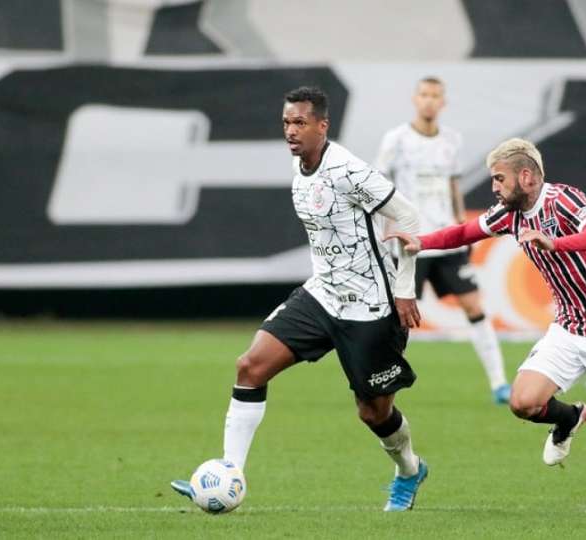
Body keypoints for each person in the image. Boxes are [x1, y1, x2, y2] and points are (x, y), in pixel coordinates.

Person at [171, 86, 428, 512]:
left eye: (300, 123)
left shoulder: (347, 170)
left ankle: (408, 470)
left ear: (322, 126)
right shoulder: (299, 164)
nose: (291, 131)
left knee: (374, 413)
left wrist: (403, 289)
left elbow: (408, 216)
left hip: (370, 305)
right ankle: (229, 472)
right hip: (322, 294)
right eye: (287, 122)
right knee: (250, 366)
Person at [387, 138, 586, 513]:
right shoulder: (509, 214)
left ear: (525, 176)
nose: (494, 187)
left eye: (498, 179)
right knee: (522, 401)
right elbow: (464, 232)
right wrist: (420, 241)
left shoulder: (563, 200)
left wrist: (555, 243)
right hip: (569, 328)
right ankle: (570, 416)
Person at [375, 76, 511, 404]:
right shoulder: (396, 140)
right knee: (398, 318)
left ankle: (499, 384)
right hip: (410, 241)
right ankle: (382, 382)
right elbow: (377, 186)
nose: (429, 101)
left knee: (474, 305)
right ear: (415, 99)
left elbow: (453, 186)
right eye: (424, 95)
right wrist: (382, 233)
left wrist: (464, 227)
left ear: (443, 102)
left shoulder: (451, 140)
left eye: (435, 96)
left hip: (446, 238)